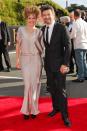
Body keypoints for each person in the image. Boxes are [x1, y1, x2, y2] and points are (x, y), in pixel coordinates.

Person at [41, 5, 71, 127]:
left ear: (53, 15)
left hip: (60, 66)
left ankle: (65, 116)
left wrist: (65, 64)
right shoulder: (42, 29)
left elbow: (68, 46)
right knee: (52, 89)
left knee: (61, 91)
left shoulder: (61, 28)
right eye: (44, 15)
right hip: (48, 66)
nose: (46, 17)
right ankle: (56, 108)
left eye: (48, 14)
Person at [16, 6, 43, 119]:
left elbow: (42, 48)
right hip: (25, 59)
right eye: (29, 18)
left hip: (36, 60)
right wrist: (17, 60)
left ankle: (34, 109)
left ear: (36, 19)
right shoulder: (21, 30)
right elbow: (18, 46)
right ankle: (26, 110)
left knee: (35, 84)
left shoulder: (39, 31)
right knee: (27, 85)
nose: (31, 20)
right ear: (26, 18)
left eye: (33, 18)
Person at [71, 9, 87, 82]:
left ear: (74, 15)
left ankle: (81, 78)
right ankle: (85, 75)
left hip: (78, 44)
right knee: (84, 61)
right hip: (85, 44)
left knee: (79, 62)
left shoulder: (75, 23)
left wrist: (68, 36)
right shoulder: (85, 22)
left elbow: (73, 35)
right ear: (80, 14)